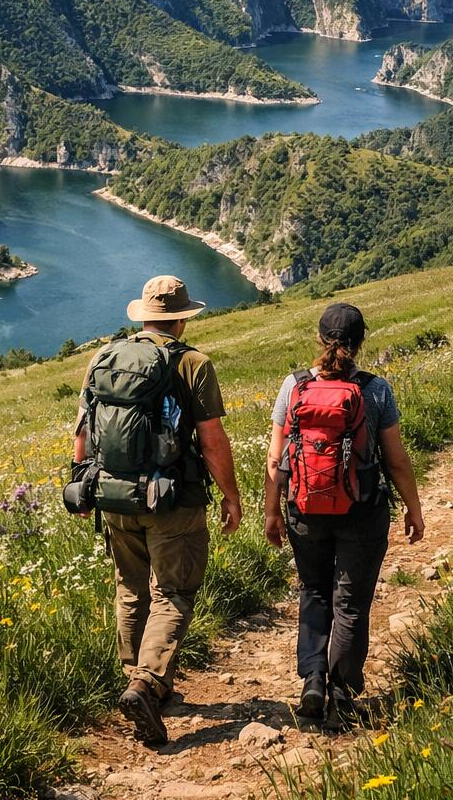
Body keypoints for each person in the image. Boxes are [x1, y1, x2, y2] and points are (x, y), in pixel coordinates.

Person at [71, 274, 242, 747]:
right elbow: (211, 441)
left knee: (130, 588)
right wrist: (231, 495)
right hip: (172, 498)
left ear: (144, 314)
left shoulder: (102, 358)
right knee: (172, 591)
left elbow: (84, 432)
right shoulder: (193, 364)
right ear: (183, 317)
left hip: (113, 495)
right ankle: (147, 683)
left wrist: (80, 484)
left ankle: (136, 680)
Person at [265, 302, 425, 724]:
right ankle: (342, 694)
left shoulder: (293, 386)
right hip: (362, 509)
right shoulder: (376, 389)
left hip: (304, 508)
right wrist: (413, 507)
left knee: (313, 591)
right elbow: (396, 460)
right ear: (360, 343)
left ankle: (313, 680)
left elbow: (275, 457)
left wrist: (272, 511)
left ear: (320, 339)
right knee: (351, 603)